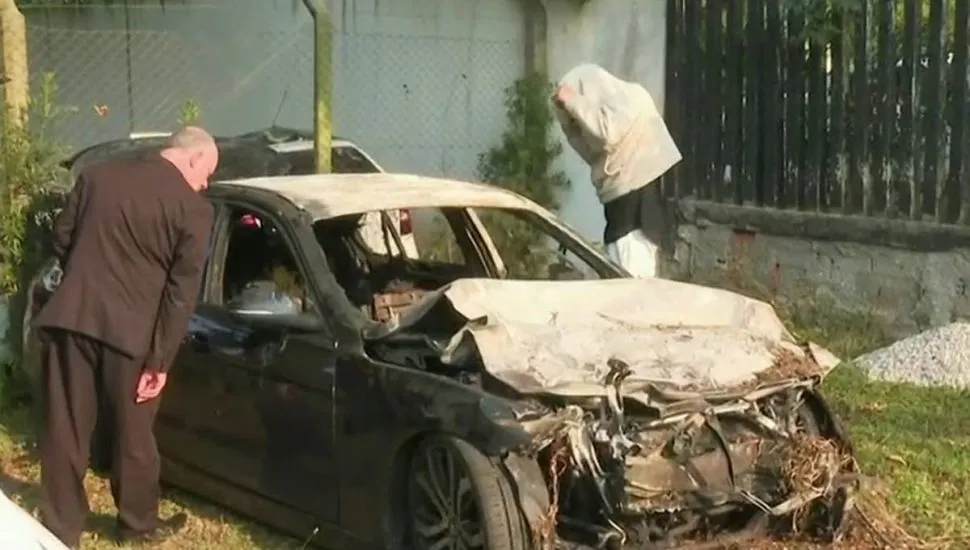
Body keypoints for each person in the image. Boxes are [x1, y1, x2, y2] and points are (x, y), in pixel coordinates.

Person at [32, 126, 219, 547]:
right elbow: (180, 295)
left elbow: (62, 238)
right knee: (133, 433)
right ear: (192, 158)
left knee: (65, 428)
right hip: (132, 337)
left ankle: (60, 529)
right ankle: (137, 526)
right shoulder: (193, 210)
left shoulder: (99, 176)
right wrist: (160, 362)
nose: (206, 183)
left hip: (72, 319)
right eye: (207, 171)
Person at [552, 64, 682, 278]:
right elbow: (589, 146)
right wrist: (570, 113)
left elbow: (607, 134)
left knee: (629, 282)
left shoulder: (627, 101)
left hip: (634, 195)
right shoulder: (624, 99)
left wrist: (574, 101)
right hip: (629, 192)